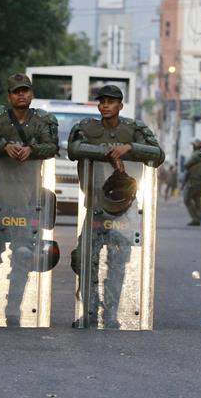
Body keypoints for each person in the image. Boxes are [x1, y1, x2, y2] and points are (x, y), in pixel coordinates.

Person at [68, 84, 164, 328]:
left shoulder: (134, 128)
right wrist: (107, 152)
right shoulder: (86, 127)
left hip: (125, 207)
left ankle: (109, 313)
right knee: (83, 258)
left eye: (111, 101)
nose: (106, 105)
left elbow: (157, 154)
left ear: (120, 105)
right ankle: (89, 310)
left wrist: (130, 148)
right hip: (95, 204)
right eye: (102, 101)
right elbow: (74, 149)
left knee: (118, 262)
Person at [0, 73, 59, 326]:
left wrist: (31, 150)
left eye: (25, 90)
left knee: (22, 256)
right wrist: (4, 147)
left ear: (31, 94)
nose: (21, 95)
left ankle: (13, 308)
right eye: (16, 91)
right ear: (9, 96)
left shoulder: (43, 121)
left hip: (27, 200)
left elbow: (52, 147)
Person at [182, 140, 201, 226]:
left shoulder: (196, 154)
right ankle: (198, 218)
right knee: (197, 200)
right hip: (200, 181)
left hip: (193, 181)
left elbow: (186, 164)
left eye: (193, 145)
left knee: (187, 199)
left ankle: (195, 218)